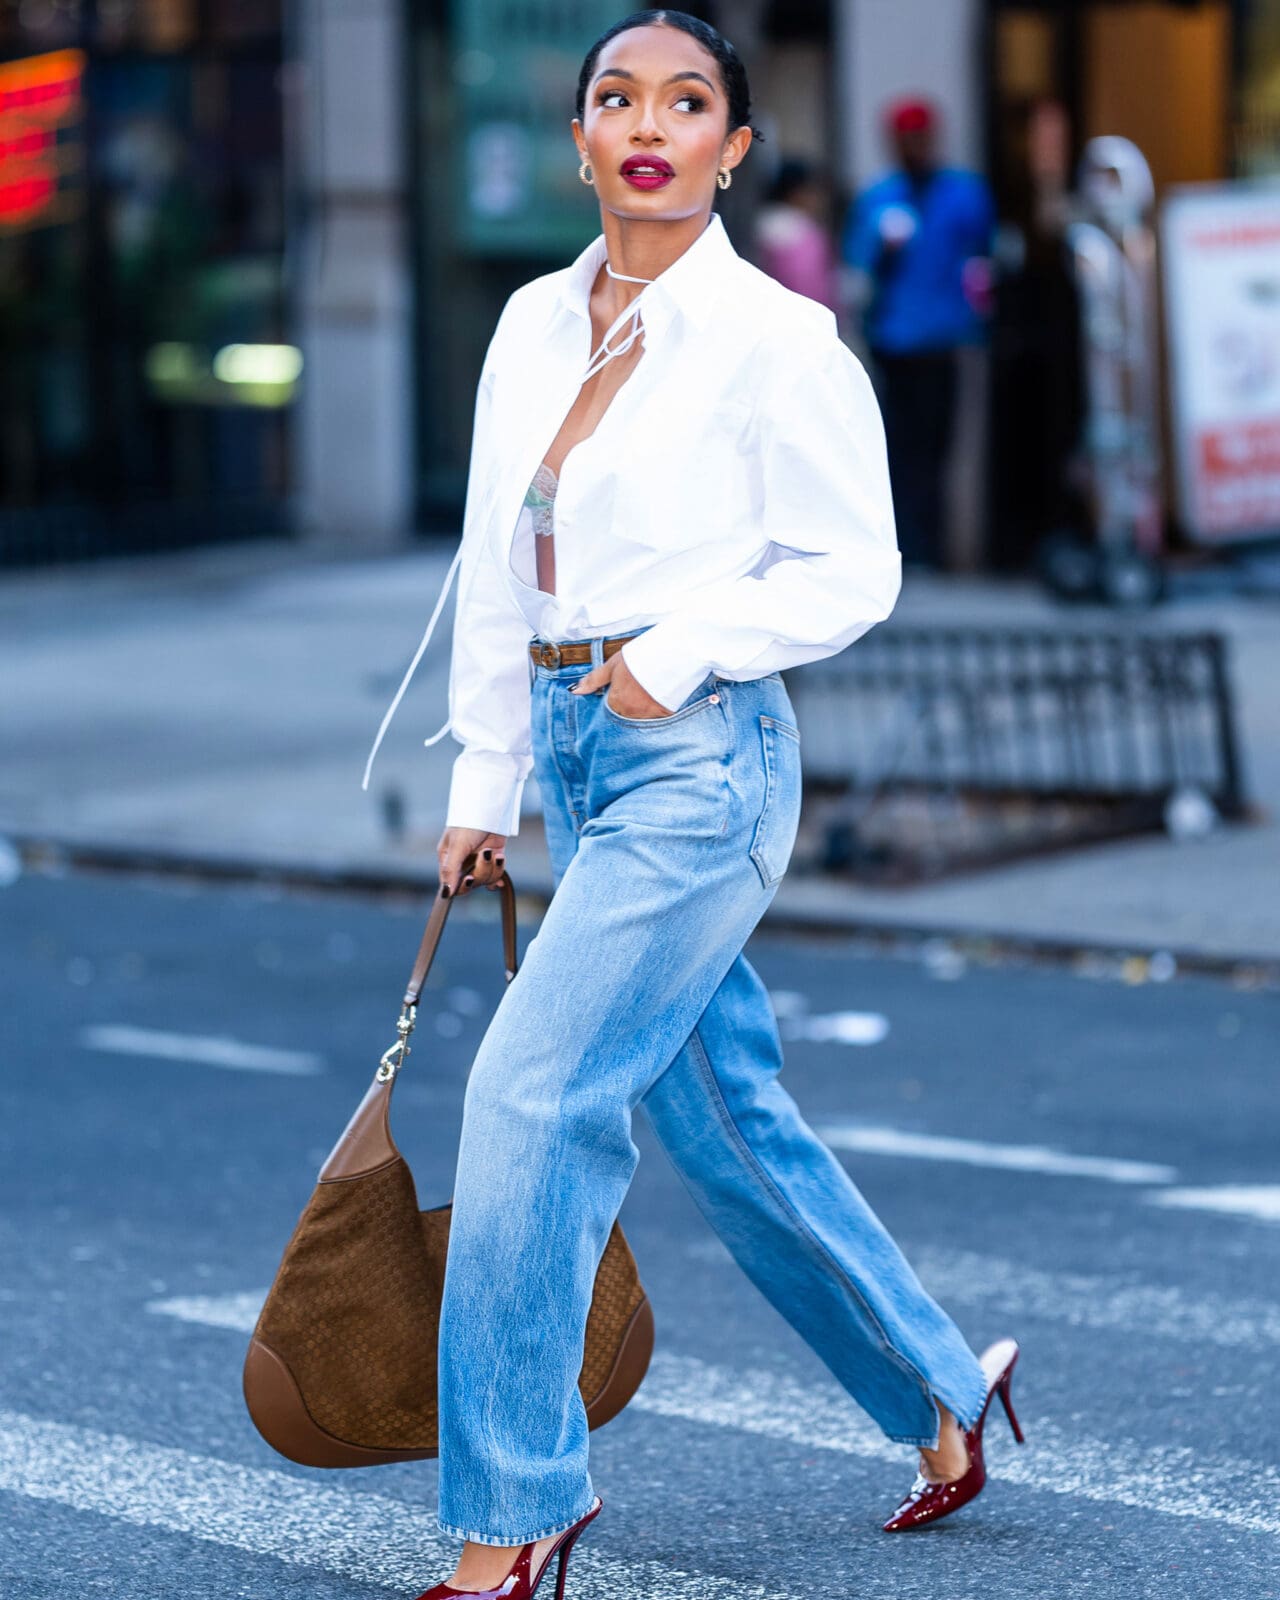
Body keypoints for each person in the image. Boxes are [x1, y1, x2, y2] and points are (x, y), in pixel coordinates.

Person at [365, 14, 1023, 1597]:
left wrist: (680, 655)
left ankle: (517, 1509)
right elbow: (496, 566)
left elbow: (854, 567)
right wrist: (486, 777)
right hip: (576, 749)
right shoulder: (531, 322)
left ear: (732, 149)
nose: (648, 125)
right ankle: (939, 1392)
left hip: (705, 758)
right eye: (617, 98)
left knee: (531, 1095)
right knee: (722, 1120)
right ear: (583, 139)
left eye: (686, 102)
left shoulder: (777, 339)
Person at [843, 97, 996, 569]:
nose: (913, 148)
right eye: (904, 140)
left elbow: (985, 258)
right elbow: (858, 265)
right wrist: (883, 251)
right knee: (897, 446)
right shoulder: (878, 199)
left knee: (941, 446)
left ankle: (938, 546)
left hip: (946, 339)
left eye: (920, 139)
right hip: (894, 340)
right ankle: (905, 547)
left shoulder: (965, 194)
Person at [753, 155, 840, 312]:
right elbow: (807, 285)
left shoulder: (767, 226)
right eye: (813, 191)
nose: (820, 199)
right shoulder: (799, 234)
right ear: (796, 193)